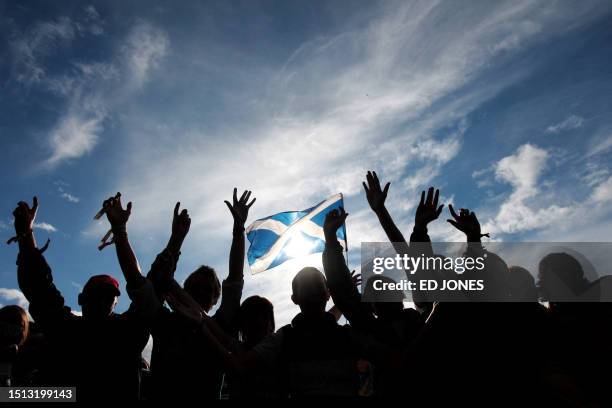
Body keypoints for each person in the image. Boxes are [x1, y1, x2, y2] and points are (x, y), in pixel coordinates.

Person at [12, 196, 160, 401]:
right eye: (95, 296)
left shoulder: (126, 334)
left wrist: (121, 232)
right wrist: (25, 235)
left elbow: (144, 290)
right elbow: (40, 290)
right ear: (81, 300)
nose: (100, 301)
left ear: (116, 303)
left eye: (107, 297)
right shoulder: (66, 330)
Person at [145, 189, 254, 400]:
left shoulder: (219, 327)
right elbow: (157, 281)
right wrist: (175, 240)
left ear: (215, 300)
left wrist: (238, 231)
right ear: (183, 291)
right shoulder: (164, 323)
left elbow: (234, 280)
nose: (201, 292)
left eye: (209, 290)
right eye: (196, 287)